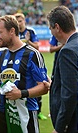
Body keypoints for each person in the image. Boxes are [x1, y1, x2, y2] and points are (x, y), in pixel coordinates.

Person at [0, 15, 49, 133]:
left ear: (12, 31)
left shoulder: (32, 54)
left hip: (26, 113)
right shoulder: (1, 55)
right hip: (2, 113)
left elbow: (44, 87)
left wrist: (21, 93)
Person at [47, 5, 78, 133]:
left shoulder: (67, 51)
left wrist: (60, 127)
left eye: (51, 28)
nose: (51, 32)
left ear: (57, 27)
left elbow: (70, 93)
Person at [15, 12, 47, 120]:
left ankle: (38, 112)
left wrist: (28, 41)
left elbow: (37, 46)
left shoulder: (30, 32)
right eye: (17, 21)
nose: (19, 24)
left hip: (32, 61)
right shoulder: (15, 33)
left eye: (20, 21)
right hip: (19, 63)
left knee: (38, 84)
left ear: (24, 21)